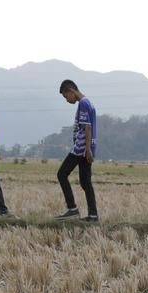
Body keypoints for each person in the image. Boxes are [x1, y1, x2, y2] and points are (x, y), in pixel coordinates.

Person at [55, 80, 98, 221]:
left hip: (80, 149)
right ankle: (93, 215)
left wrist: (87, 149)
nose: (67, 100)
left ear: (71, 91)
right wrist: (90, 149)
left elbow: (87, 127)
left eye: (66, 96)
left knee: (62, 174)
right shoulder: (88, 102)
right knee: (85, 182)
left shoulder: (83, 104)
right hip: (86, 148)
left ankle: (72, 209)